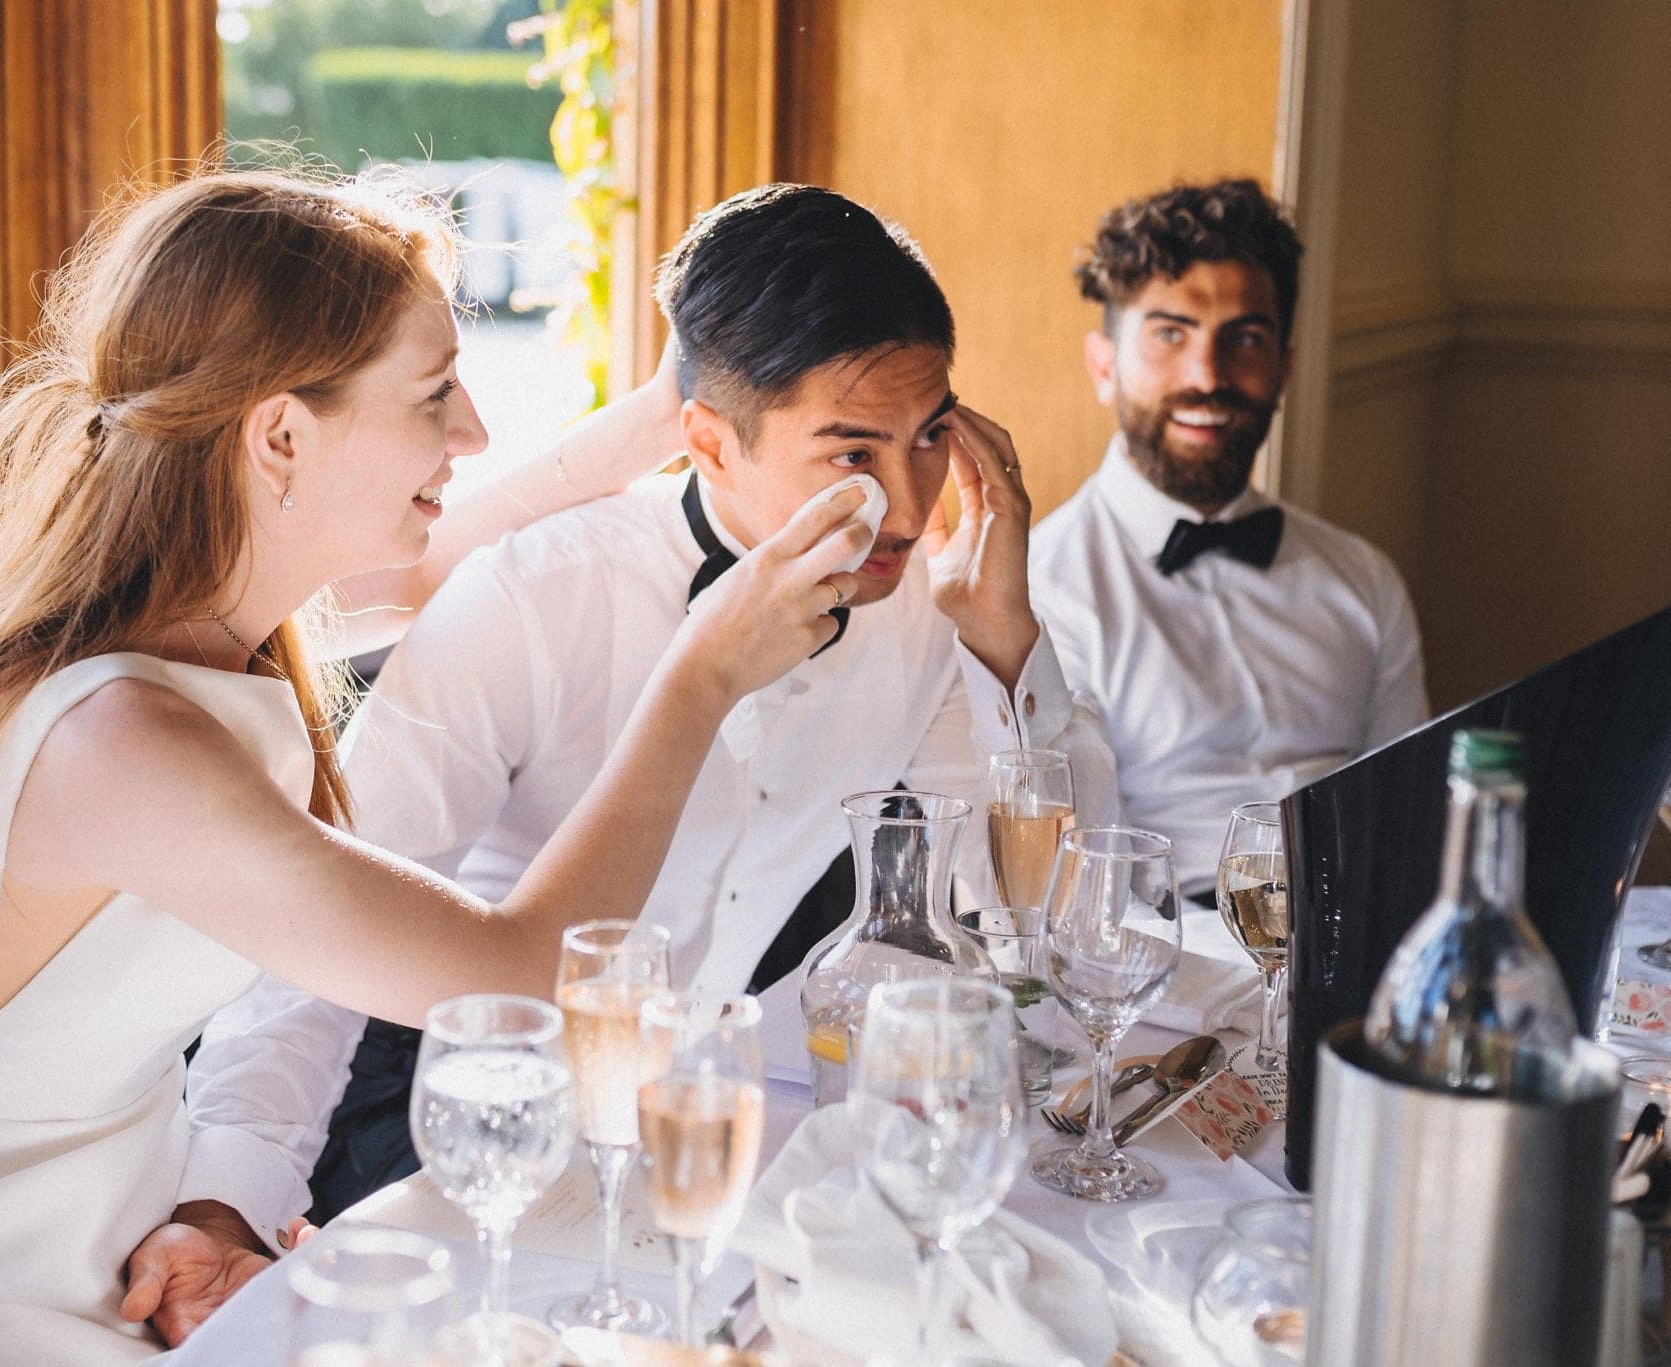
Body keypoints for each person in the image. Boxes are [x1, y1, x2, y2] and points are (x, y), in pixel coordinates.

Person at [0, 167, 864, 1366]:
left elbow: (446, 556)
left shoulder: (214, 626)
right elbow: (516, 974)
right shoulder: (119, 747)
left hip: (121, 1270)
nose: (471, 431)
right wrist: (700, 679)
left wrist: (678, 405)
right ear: (278, 435)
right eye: (434, 395)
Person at [132, 183, 1117, 1342]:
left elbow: (1035, 925)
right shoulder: (534, 599)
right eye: (851, 450)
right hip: (468, 1117)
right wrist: (225, 1200)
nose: (905, 502)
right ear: (707, 439)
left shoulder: (927, 608)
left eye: (929, 436)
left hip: (719, 1138)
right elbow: (309, 954)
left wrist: (1007, 647)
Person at [1030, 178, 1428, 893]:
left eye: (1244, 339)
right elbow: (1076, 885)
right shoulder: (1044, 588)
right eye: (1169, 334)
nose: (1207, 376)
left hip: (1362, 940)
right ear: (1103, 364)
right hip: (1170, 964)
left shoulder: (1365, 578)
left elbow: (1408, 818)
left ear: (1284, 368)